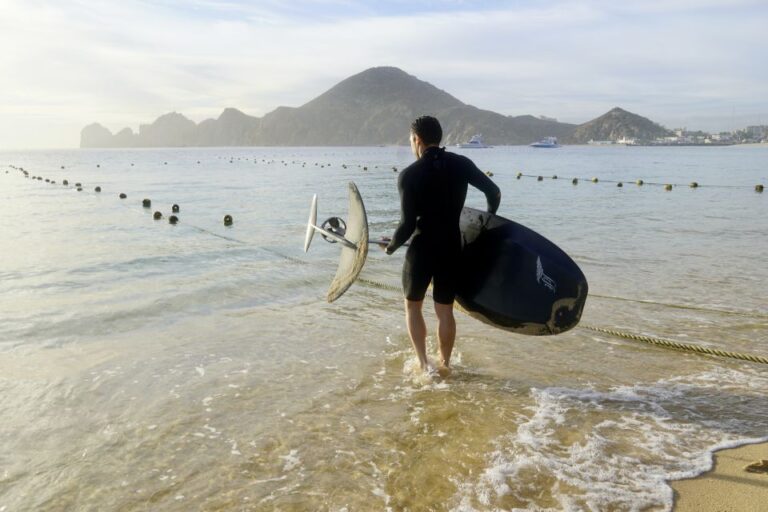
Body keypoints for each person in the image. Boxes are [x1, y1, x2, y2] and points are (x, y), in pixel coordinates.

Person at [382, 116, 500, 374]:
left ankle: (424, 364)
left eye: (411, 140)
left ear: (417, 140)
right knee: (445, 310)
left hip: (422, 249)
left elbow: (407, 225)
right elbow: (494, 192)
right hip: (451, 247)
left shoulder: (409, 175)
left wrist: (391, 247)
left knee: (413, 306)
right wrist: (487, 224)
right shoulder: (462, 164)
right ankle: (445, 365)